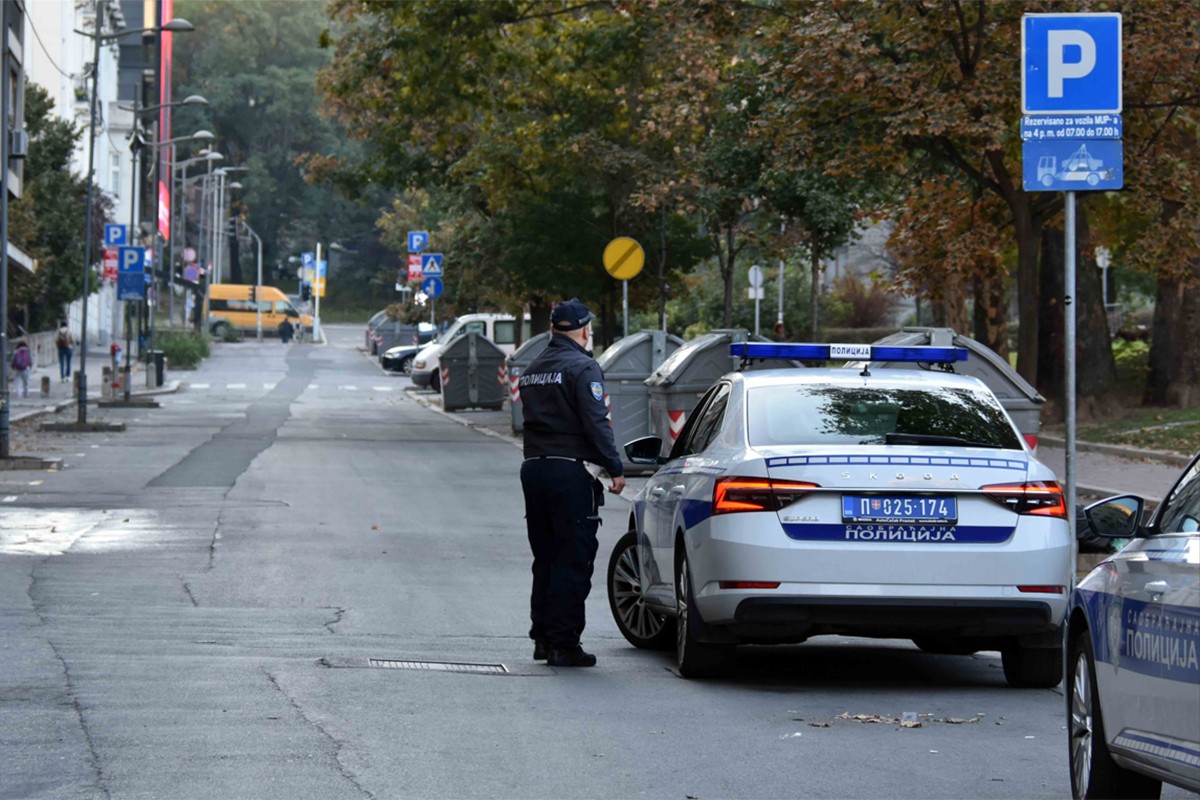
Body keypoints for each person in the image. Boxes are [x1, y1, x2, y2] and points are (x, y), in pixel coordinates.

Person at [519, 298, 625, 667]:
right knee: (572, 557)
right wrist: (615, 467)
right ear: (583, 329)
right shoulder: (583, 367)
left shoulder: (532, 369)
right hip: (571, 472)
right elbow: (597, 422)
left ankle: (543, 638)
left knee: (545, 556)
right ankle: (564, 643)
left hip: (534, 469)